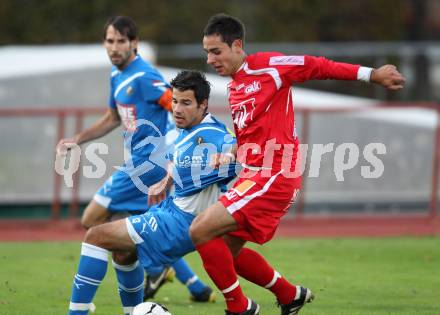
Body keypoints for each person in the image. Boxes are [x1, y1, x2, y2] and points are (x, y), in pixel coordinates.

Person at [189, 13, 406, 315]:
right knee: (224, 252)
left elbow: (317, 65)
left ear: (237, 45)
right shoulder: (236, 86)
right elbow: (253, 137)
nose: (210, 59)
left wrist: (372, 74)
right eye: (206, 53)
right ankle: (290, 295)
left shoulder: (268, 66)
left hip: (274, 174)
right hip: (257, 174)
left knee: (200, 230)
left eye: (216, 51)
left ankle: (240, 308)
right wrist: (231, 155)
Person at [59, 17, 213, 314]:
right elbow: (113, 118)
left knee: (92, 221)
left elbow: (176, 104)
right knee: (127, 238)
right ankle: (187, 283)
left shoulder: (144, 76)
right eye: (109, 40)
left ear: (134, 44)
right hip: (141, 166)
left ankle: (81, 307)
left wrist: (182, 143)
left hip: (147, 165)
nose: (114, 47)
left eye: (120, 41)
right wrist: (78, 139)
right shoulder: (117, 77)